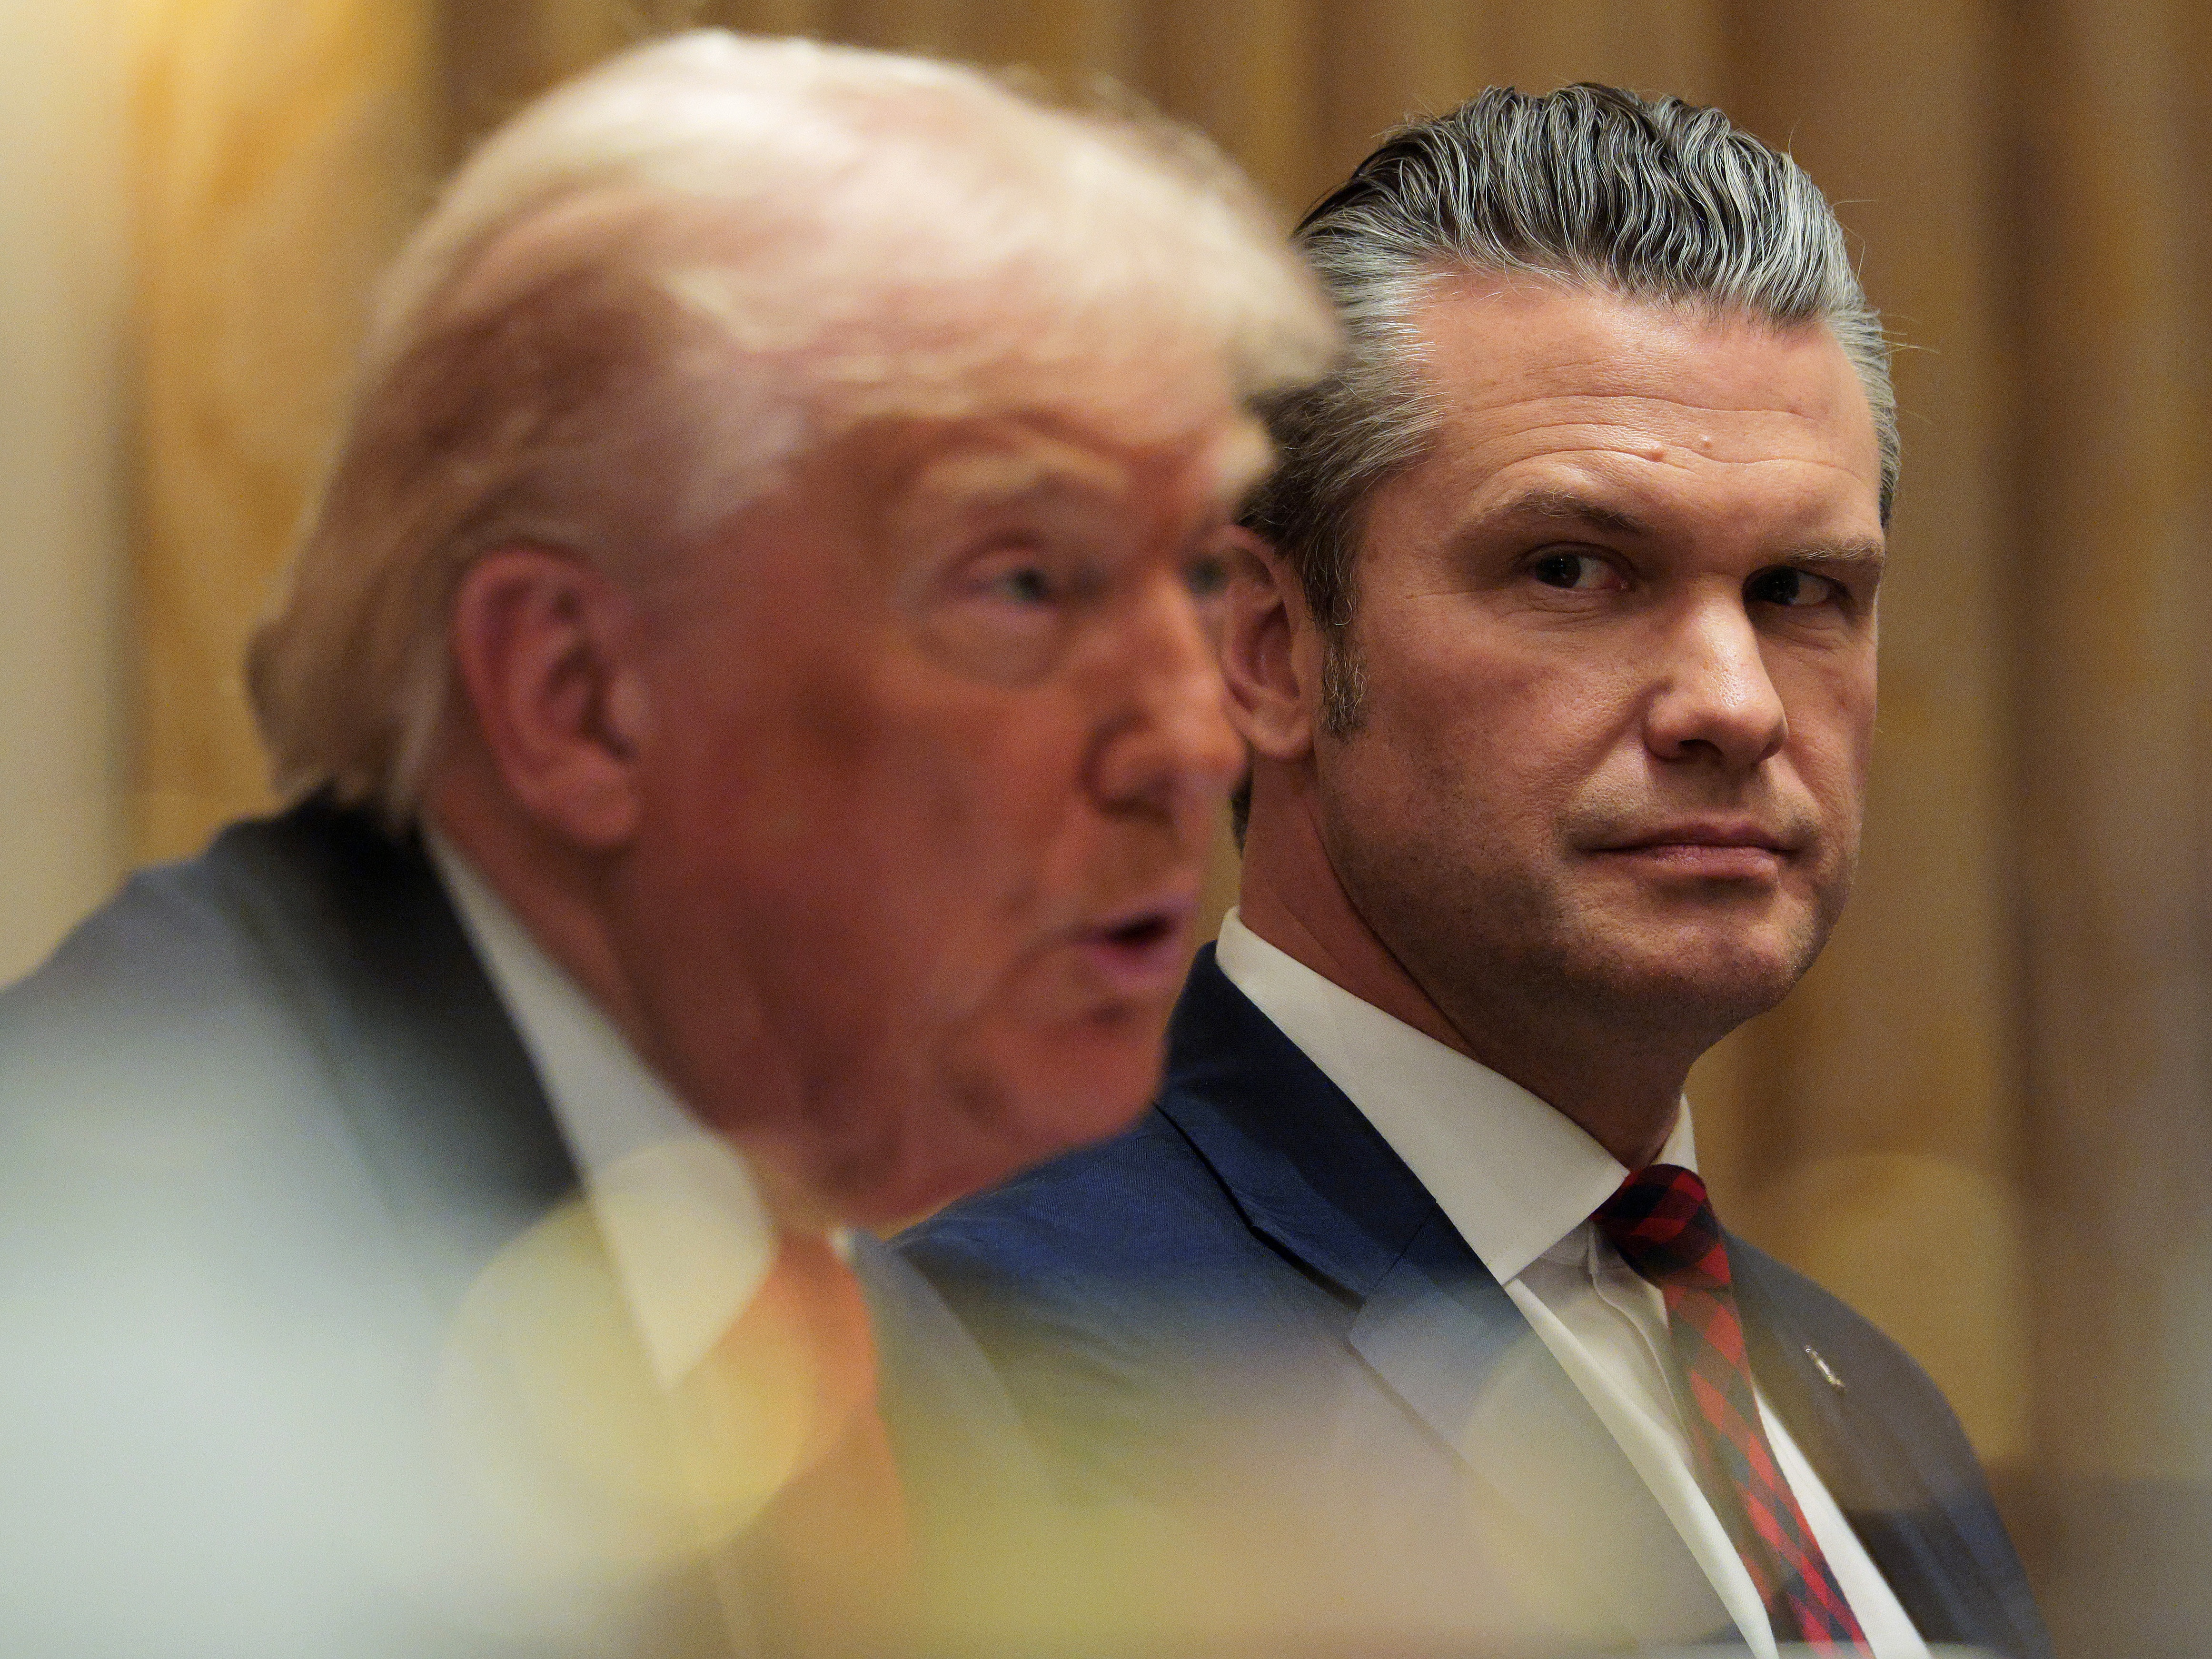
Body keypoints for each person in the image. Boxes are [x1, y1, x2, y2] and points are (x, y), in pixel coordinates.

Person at [0, 30, 1334, 1659]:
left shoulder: (871, 1334)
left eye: (1196, 574)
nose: (1197, 739)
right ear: (576, 698)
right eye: (1025, 586)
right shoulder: (149, 1266)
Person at [903, 84, 2053, 1658]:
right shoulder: (1001, 1374)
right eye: (1573, 569)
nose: (1733, 703)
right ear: (1268, 651)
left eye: (1798, 589)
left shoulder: (1876, 1409)